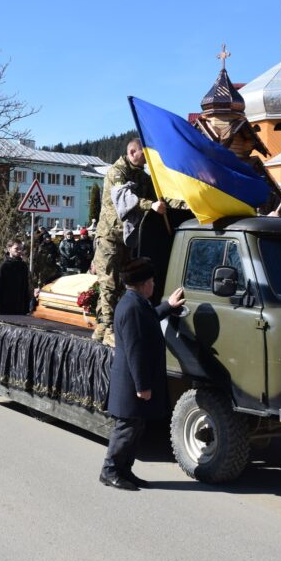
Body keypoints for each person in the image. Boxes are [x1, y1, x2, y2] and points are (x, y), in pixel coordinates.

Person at [99, 258, 185, 491]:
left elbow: (151, 318)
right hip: (130, 382)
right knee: (125, 429)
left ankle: (125, 470)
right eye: (152, 281)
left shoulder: (137, 302)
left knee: (136, 429)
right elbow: (136, 350)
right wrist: (141, 386)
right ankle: (110, 471)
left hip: (134, 381)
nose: (154, 285)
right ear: (144, 284)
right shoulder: (132, 307)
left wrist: (169, 305)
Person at [93, 139, 175, 345]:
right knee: (109, 282)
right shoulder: (117, 172)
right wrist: (151, 205)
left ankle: (102, 327)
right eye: (144, 154)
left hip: (126, 238)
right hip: (109, 236)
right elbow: (125, 199)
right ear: (132, 151)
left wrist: (182, 202)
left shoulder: (141, 176)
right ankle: (110, 330)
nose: (147, 159)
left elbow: (160, 196)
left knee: (122, 282)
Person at [0, 239, 32, 315]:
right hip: (6, 309)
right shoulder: (4, 267)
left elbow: (25, 288)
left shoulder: (23, 266)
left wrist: (26, 308)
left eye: (21, 249)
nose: (19, 251)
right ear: (9, 249)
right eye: (16, 248)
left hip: (21, 309)